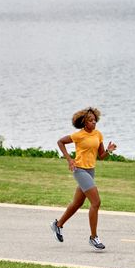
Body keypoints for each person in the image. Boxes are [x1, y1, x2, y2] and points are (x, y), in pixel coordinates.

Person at [50, 107, 117, 250]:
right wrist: (69, 159)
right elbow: (60, 142)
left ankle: (58, 225)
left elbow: (101, 156)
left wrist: (109, 151)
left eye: (95, 120)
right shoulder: (78, 135)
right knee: (96, 202)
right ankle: (93, 237)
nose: (94, 123)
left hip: (91, 171)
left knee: (77, 204)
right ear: (84, 122)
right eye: (90, 120)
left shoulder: (98, 135)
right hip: (79, 170)